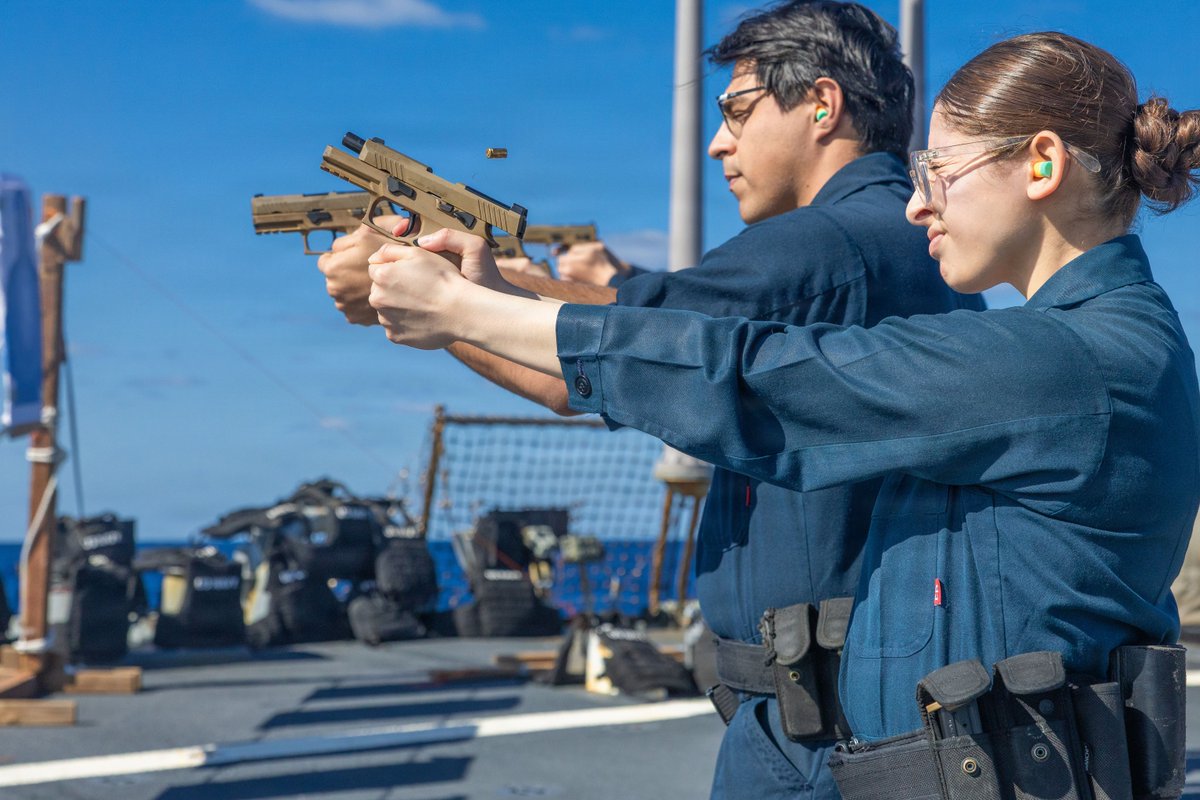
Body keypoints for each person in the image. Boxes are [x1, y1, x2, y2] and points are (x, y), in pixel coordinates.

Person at [364, 27, 1200, 780]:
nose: (917, 204)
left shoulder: (1068, 361)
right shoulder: (1084, 344)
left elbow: (767, 376)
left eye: (938, 172)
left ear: (1042, 165)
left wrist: (467, 313)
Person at [319, 3, 981, 796]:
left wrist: (427, 300)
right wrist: (464, 287)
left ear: (822, 105)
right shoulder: (910, 240)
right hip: (871, 704)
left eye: (737, 111)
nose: (718, 143)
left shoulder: (824, 244)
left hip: (818, 733)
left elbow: (606, 353)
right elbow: (631, 327)